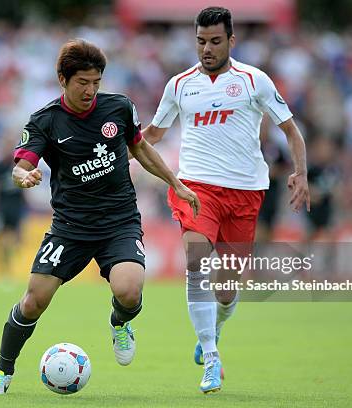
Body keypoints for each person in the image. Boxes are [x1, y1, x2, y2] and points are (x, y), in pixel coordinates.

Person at [0, 38, 200, 395]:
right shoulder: (44, 121)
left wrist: (176, 183)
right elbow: (20, 167)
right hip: (69, 227)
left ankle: (120, 323)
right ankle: (2, 372)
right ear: (63, 80)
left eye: (96, 82)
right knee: (33, 301)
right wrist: (25, 176)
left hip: (119, 221)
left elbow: (141, 148)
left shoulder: (118, 108)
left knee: (129, 291)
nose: (90, 90)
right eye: (82, 82)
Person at [141, 7, 310, 393]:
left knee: (228, 290)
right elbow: (153, 133)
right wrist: (117, 152)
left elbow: (291, 130)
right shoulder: (179, 85)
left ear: (231, 41)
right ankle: (211, 357)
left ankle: (214, 327)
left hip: (246, 192)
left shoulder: (254, 81)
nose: (207, 49)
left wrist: (300, 173)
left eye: (215, 41)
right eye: (201, 41)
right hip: (195, 188)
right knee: (197, 261)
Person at [0, 135, 28, 284]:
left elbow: (26, 187)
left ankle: (12, 266)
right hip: (1, 209)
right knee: (1, 242)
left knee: (17, 241)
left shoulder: (21, 166)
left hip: (17, 208)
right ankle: (5, 272)